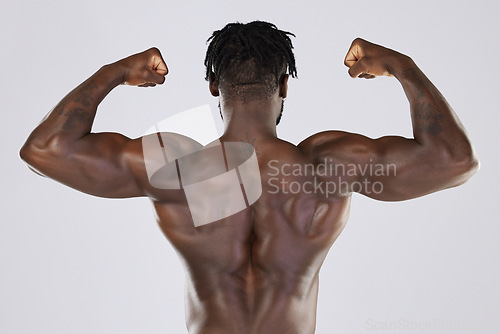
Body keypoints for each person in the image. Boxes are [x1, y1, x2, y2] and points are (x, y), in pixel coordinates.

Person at [20, 21, 479, 334]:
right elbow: (454, 161)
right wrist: (401, 64)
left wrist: (115, 73)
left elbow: (44, 151)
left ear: (214, 86)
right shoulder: (328, 165)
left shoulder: (176, 168)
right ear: (283, 85)